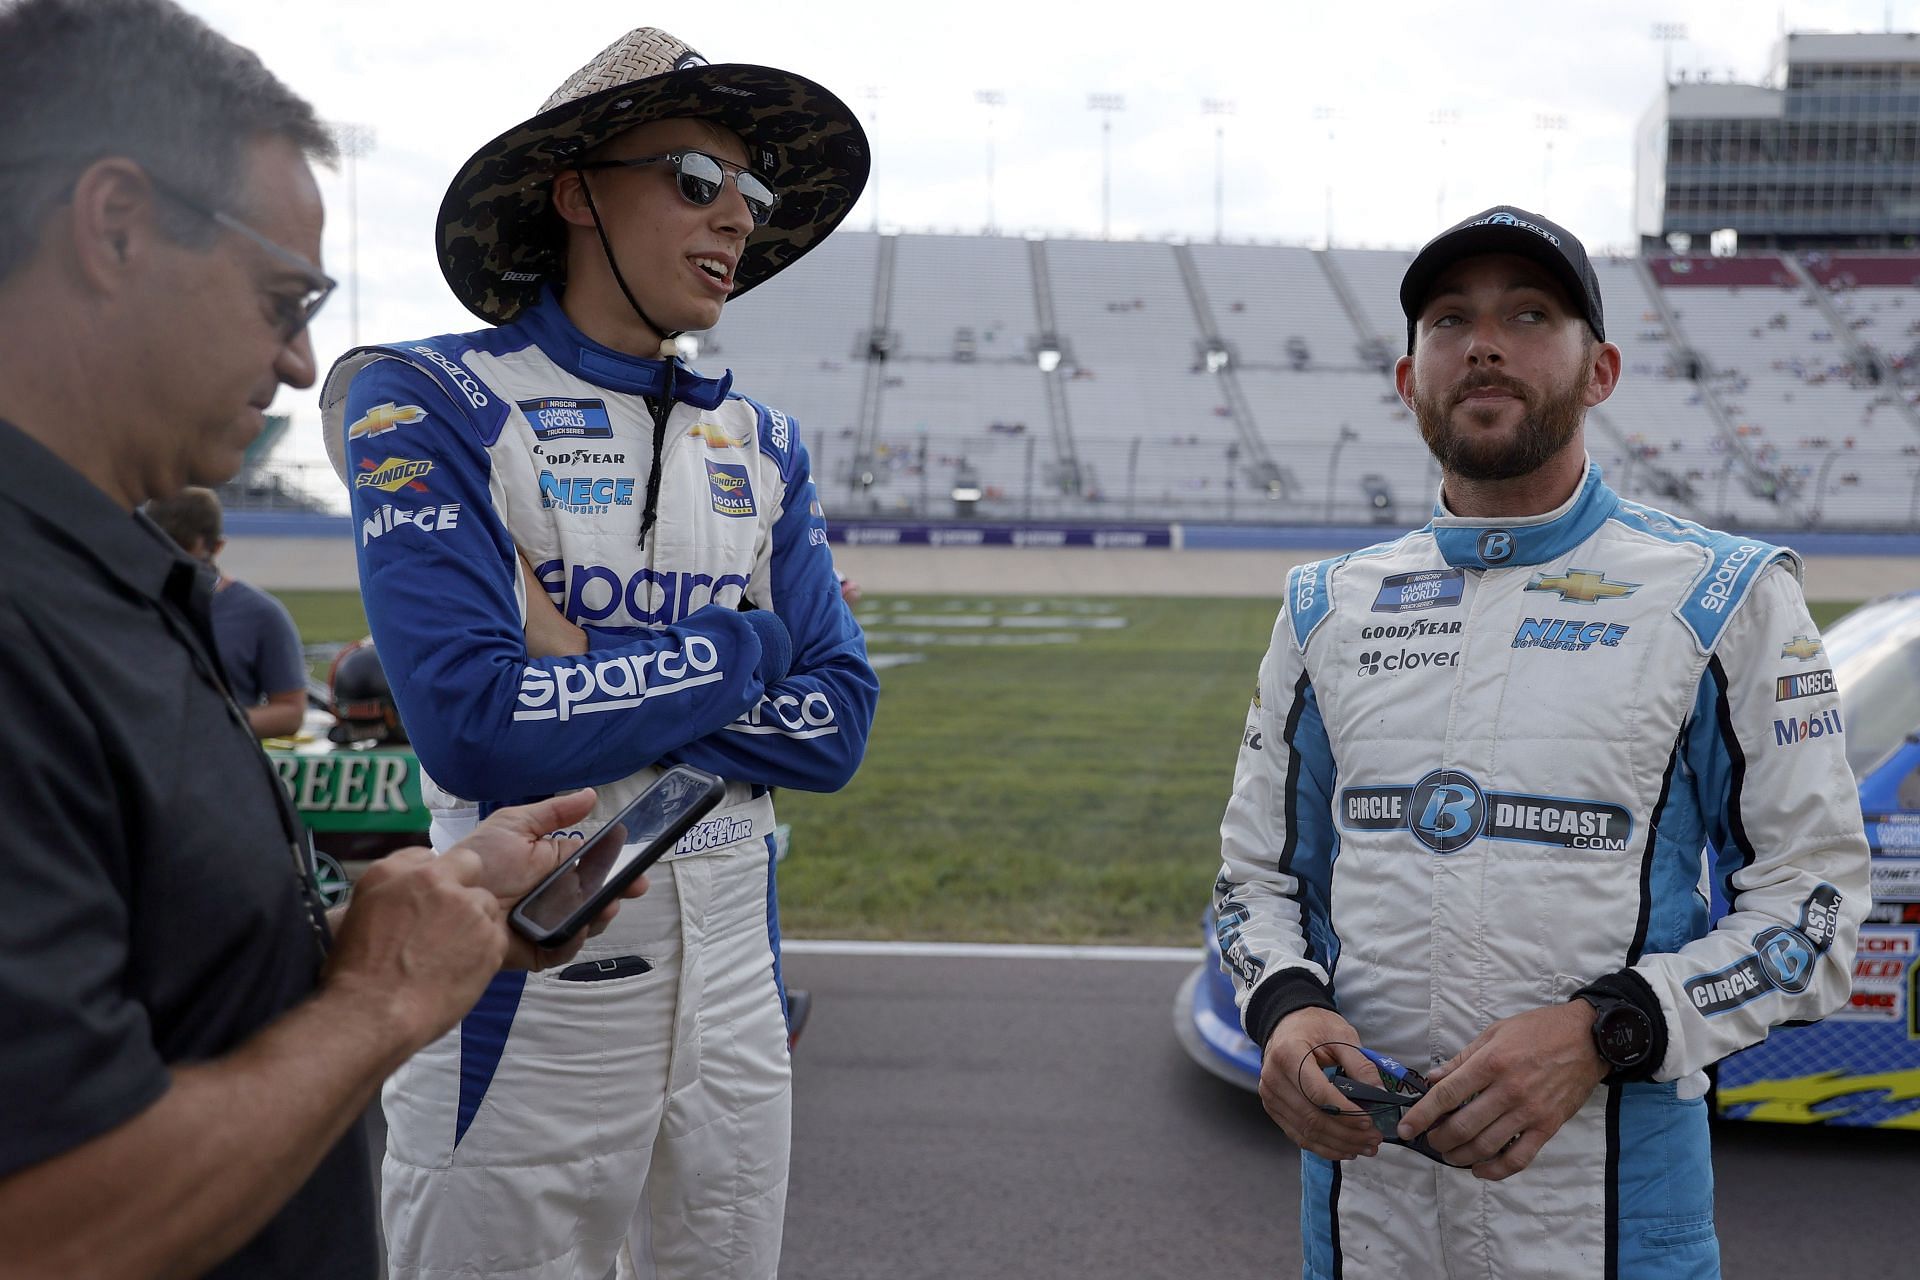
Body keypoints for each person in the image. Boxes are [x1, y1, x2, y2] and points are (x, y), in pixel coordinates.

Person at [0, 2, 642, 1276]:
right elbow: (46, 1224)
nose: (302, 364)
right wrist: (379, 1001)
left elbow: (174, 992)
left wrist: (433, 919)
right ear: (115, 225)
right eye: (284, 297)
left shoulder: (100, 573)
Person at [1213, 205, 1870, 1280]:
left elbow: (1815, 907)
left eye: (1530, 312)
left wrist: (1603, 1031)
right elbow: (1254, 884)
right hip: (1365, 1210)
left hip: (1609, 1216)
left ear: (1599, 369)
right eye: (1450, 319)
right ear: (1407, 376)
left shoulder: (1726, 596)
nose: (1484, 341)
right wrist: (1285, 1011)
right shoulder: (1325, 606)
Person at [318, 26, 876, 1280]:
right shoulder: (424, 399)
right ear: (575, 191)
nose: (736, 217)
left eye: (756, 193)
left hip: (740, 981)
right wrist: (745, 642)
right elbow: (474, 722)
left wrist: (584, 658)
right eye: (695, 178)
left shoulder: (766, 438)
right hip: (528, 986)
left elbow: (837, 723)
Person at [147, 485, 309, 738]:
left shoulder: (260, 614)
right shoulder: (122, 602)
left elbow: (290, 711)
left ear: (217, 547)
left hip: (214, 768)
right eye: (160, 554)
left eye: (184, 558)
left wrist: (217, 725)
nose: (171, 567)